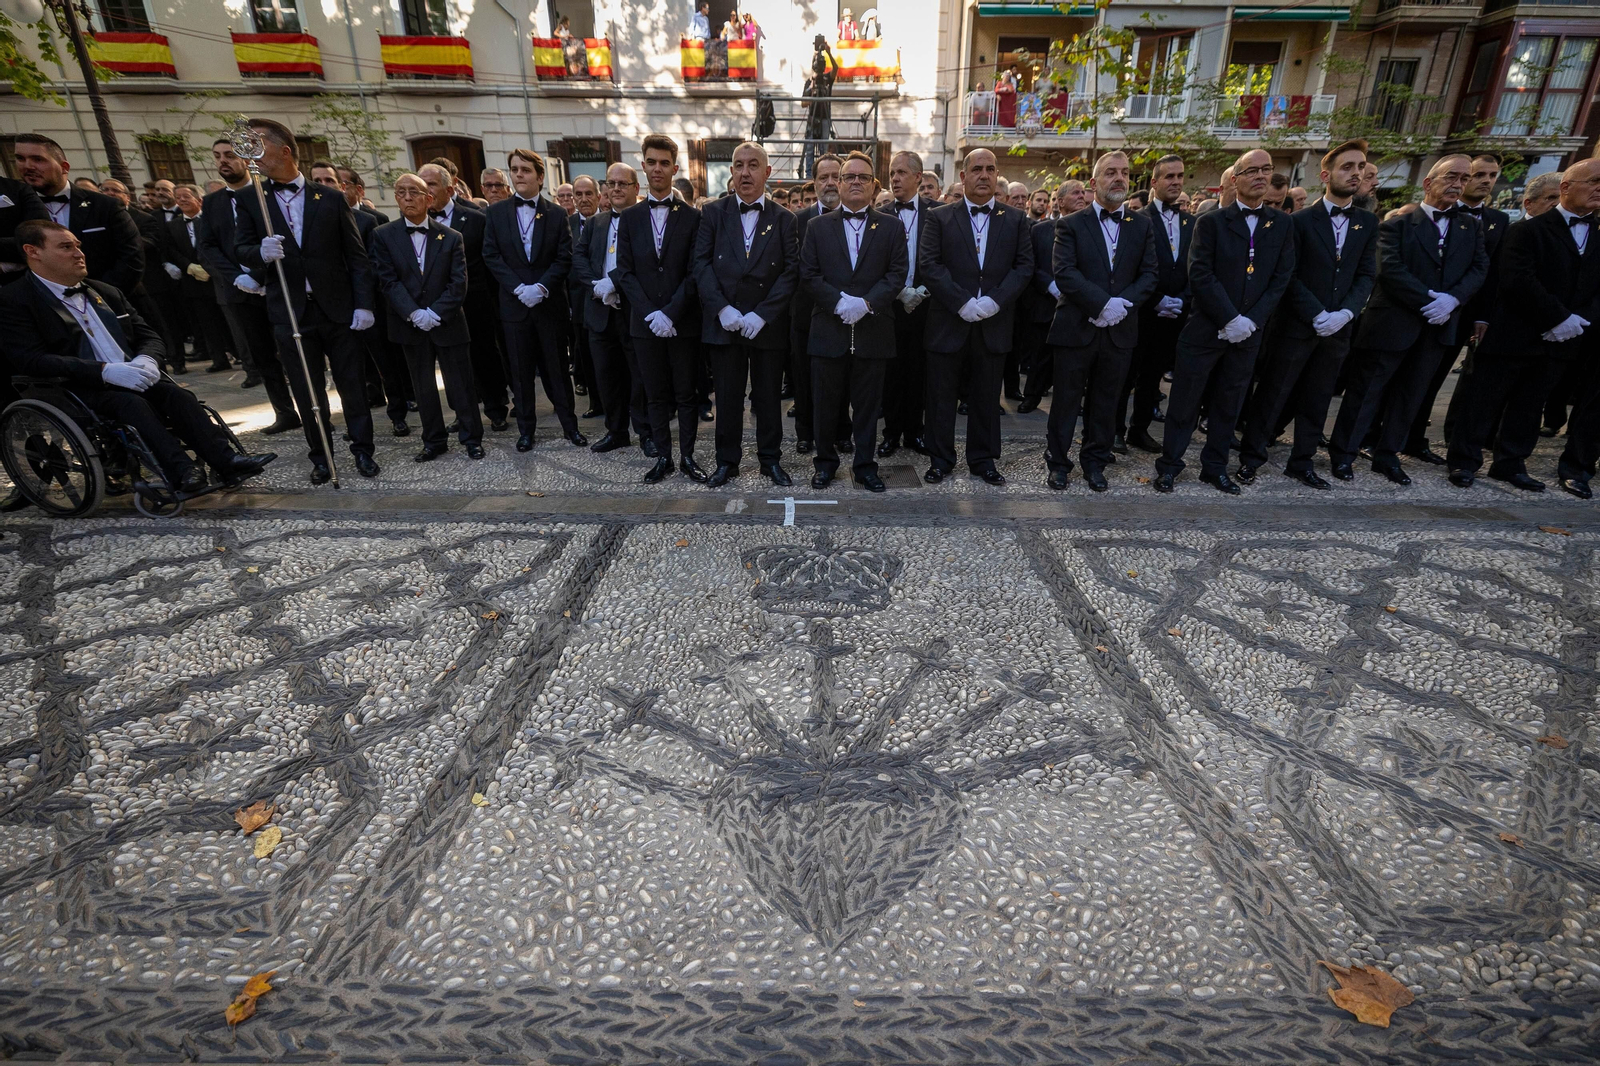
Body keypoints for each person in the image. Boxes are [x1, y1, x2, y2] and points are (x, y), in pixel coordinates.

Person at [0, 219, 275, 491]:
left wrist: (147, 359)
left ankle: (226, 461)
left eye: (78, 245)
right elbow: (29, 359)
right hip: (74, 387)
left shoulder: (105, 291)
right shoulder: (15, 299)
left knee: (178, 396)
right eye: (65, 247)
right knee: (131, 404)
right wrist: (104, 371)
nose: (78, 253)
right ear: (33, 251)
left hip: (132, 374)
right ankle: (182, 470)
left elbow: (149, 336)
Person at [234, 118, 380, 484]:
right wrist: (260, 253)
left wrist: (363, 304)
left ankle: (363, 450)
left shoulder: (328, 197)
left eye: (258, 146)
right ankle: (321, 455)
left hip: (336, 306)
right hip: (290, 308)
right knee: (306, 388)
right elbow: (240, 247)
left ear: (285, 151)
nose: (253, 156)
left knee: (351, 384)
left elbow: (356, 256)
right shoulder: (252, 198)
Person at [1327, 154, 1487, 485]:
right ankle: (1343, 454)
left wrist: (1453, 300)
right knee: (1367, 391)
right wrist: (1430, 301)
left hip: (1438, 328)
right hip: (1393, 325)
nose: (1458, 184)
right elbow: (1390, 269)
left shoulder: (1470, 226)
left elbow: (1479, 268)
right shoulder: (1396, 225)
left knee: (1411, 395)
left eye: (1464, 178)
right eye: (1451, 177)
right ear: (1429, 183)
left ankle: (1388, 456)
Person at [1448, 158, 1600, 493]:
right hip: (1514, 332)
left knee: (1530, 406)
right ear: (1566, 188)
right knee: (1483, 400)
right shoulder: (1527, 230)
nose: (1598, 189)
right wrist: (1556, 317)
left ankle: (1510, 463)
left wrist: (1576, 321)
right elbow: (1518, 280)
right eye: (1593, 181)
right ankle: (1464, 460)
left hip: (1564, 339)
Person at [1236, 140, 1378, 490]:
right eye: (1348, 167)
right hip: (1297, 325)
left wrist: (1345, 312)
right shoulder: (1298, 222)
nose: (1356, 173)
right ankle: (1251, 458)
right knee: (1273, 393)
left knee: (1319, 397)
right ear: (1326, 175)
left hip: (1339, 328)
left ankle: (1302, 462)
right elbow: (1288, 274)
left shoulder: (1367, 222)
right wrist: (1316, 312)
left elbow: (1365, 274)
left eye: (1360, 167)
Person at [1153, 148, 1294, 494]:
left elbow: (1281, 278)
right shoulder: (1211, 222)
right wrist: (1229, 318)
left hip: (1248, 334)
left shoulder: (1282, 224)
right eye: (1252, 171)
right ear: (1235, 179)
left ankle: (1214, 468)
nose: (1260, 176)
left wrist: (1251, 321)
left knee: (1228, 406)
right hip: (1205, 329)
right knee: (1184, 404)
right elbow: (1200, 274)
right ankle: (1169, 465)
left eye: (1266, 170)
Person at [917, 147, 1033, 486]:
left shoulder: (1015, 219)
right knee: (941, 397)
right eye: (977, 169)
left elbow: (1024, 267)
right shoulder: (939, 217)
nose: (984, 175)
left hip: (993, 323)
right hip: (948, 322)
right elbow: (929, 265)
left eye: (991, 169)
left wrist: (995, 302)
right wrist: (962, 302)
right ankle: (940, 459)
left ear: (997, 177)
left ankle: (983, 461)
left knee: (986, 397)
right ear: (963, 176)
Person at [1044, 151, 1158, 492]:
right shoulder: (1071, 224)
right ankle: (1059, 463)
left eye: (1125, 172)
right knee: (1065, 401)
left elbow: (1150, 275)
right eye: (1111, 172)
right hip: (1076, 328)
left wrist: (1121, 306)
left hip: (1119, 331)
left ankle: (1095, 463)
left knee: (1106, 402)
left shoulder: (1142, 225)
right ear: (1094, 183)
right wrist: (1100, 304)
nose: (1119, 178)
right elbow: (1065, 273)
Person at [694, 140, 800, 487]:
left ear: (767, 172)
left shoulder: (785, 219)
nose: (745, 172)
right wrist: (721, 308)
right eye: (738, 165)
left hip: (765, 326)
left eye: (753, 165)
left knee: (768, 398)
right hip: (725, 323)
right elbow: (701, 264)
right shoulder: (712, 212)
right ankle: (727, 462)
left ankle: (770, 461)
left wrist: (763, 314)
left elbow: (791, 271)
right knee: (726, 397)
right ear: (731, 172)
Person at [802, 150, 907, 491]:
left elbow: (896, 274)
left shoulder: (891, 226)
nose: (855, 182)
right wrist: (837, 303)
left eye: (863, 177)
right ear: (839, 183)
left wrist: (865, 303)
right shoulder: (817, 226)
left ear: (874, 186)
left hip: (873, 330)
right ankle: (825, 464)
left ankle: (865, 465)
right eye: (849, 177)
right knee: (825, 406)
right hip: (828, 330)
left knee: (867, 407)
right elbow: (808, 274)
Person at [370, 172, 484, 464]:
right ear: (396, 197)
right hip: (409, 324)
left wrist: (434, 312)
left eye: (415, 192)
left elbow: (459, 282)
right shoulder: (383, 235)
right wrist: (414, 312)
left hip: (448, 321)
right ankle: (434, 440)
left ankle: (472, 438)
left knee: (462, 383)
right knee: (423, 387)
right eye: (402, 192)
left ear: (429, 199)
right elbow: (388, 280)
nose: (408, 197)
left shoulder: (451, 237)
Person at [1406, 151, 1508, 465]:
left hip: (1463, 312)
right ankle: (1383, 434)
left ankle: (1415, 438)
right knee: (1408, 375)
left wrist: (1480, 314)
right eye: (1478, 175)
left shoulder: (1498, 221)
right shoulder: (1419, 215)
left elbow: (1490, 272)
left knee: (1437, 378)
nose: (1485, 182)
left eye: (1492, 176)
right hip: (1420, 307)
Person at [482, 148, 584, 452]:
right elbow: (492, 255)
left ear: (540, 177)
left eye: (525, 170)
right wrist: (518, 288)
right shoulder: (496, 213)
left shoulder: (555, 213)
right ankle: (526, 431)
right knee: (521, 373)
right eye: (514, 170)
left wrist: (540, 287)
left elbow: (564, 257)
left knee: (556, 370)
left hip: (548, 305)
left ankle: (570, 427)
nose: (518, 175)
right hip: (514, 307)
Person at [618, 136, 707, 482]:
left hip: (683, 321)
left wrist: (669, 312)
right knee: (654, 395)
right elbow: (624, 272)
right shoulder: (629, 218)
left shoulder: (693, 217)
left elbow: (695, 270)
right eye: (651, 162)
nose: (658, 168)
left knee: (686, 394)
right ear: (643, 166)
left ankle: (687, 456)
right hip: (644, 324)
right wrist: (650, 313)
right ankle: (663, 457)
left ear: (675, 167)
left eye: (664, 162)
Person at [197, 137, 299, 429]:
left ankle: (311, 409)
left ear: (247, 159)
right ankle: (284, 412)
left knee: (293, 351)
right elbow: (207, 247)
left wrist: (258, 274)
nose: (223, 161)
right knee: (261, 355)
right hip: (240, 292)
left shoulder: (269, 194)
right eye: (217, 156)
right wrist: (237, 277)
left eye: (229, 155)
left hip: (278, 285)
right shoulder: (213, 203)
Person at [313, 160, 413, 435]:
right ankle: (357, 420)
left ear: (343, 186)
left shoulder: (368, 221)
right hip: (332, 308)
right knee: (348, 370)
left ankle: (398, 413)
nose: (324, 187)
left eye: (330, 181)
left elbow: (372, 265)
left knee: (386, 362)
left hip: (370, 303)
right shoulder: (312, 219)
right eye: (317, 181)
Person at [417, 162, 508, 435]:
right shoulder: (418, 224)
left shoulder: (476, 218)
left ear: (449, 188)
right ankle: (462, 412)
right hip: (437, 307)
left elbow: (490, 263)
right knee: (451, 364)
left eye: (431, 185)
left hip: (476, 305)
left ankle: (496, 408)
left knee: (484, 357)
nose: (425, 191)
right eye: (422, 185)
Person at [576, 162, 655, 459]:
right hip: (599, 313)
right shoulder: (596, 223)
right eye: (612, 183)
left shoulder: (644, 221)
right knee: (607, 375)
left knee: (639, 377)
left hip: (632, 311)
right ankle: (616, 431)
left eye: (623, 183)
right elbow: (580, 257)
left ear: (636, 188)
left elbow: (645, 264)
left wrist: (615, 284)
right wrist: (597, 286)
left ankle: (645, 432)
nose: (617, 188)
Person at [1119, 154, 1190, 454]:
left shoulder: (1192, 221)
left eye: (1180, 176)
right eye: (1169, 176)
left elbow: (1194, 265)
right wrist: (1156, 299)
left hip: (1175, 314)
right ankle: (1112, 430)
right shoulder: (1137, 219)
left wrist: (1182, 299)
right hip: (1141, 311)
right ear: (1155, 182)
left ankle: (1140, 429)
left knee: (1153, 377)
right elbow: (1129, 269)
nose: (1175, 182)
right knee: (1126, 375)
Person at [879, 150, 935, 457]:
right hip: (890, 304)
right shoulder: (881, 214)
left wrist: (924, 290)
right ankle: (891, 433)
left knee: (919, 371)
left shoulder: (938, 212)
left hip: (926, 306)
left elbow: (941, 258)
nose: (895, 179)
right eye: (892, 174)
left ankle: (916, 432)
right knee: (891, 372)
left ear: (918, 177)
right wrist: (899, 291)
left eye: (901, 173)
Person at [790, 153, 845, 454]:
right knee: (803, 374)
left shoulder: (856, 217)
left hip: (844, 313)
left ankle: (841, 430)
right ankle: (805, 432)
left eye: (835, 175)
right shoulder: (797, 220)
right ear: (814, 183)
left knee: (842, 376)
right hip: (805, 314)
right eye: (823, 177)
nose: (830, 183)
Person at [163, 183, 234, 375]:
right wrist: (188, 267)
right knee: (206, 322)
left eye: (186, 196)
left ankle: (239, 354)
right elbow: (171, 250)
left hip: (217, 278)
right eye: (178, 198)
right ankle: (218, 358)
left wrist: (211, 267)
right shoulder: (173, 225)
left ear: (199, 199)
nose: (182, 200)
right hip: (192, 281)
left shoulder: (211, 220)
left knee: (228, 320)